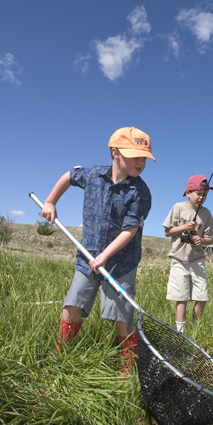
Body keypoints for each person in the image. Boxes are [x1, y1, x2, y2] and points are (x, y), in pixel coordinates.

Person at [41, 126, 155, 373]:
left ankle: (127, 371)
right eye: (135, 155)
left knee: (122, 315)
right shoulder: (92, 175)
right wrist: (51, 201)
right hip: (88, 255)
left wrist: (105, 256)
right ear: (115, 152)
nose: (141, 162)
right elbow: (69, 176)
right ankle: (60, 356)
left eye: (144, 157)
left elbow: (130, 230)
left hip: (121, 262)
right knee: (73, 303)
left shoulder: (141, 191)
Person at [163, 175, 213, 333]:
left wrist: (201, 240)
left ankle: (195, 328)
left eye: (205, 195)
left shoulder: (206, 214)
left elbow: (210, 238)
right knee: (182, 297)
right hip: (179, 260)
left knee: (202, 296)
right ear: (188, 193)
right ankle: (180, 331)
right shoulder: (178, 208)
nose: (202, 197)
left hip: (197, 259)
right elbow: (168, 232)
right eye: (198, 193)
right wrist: (185, 226)